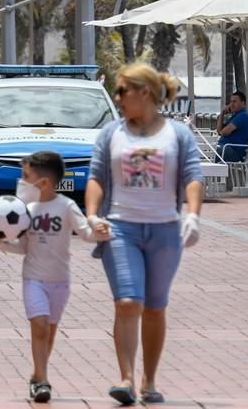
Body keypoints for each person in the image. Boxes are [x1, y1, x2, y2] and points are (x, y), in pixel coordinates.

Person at [85, 62, 203, 405]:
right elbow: (96, 177)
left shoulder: (177, 134)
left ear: (145, 93)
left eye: (124, 91)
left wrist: (192, 216)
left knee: (154, 306)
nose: (118, 97)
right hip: (120, 227)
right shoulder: (111, 133)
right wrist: (92, 215)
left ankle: (150, 380)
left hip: (165, 230)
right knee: (127, 302)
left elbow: (192, 176)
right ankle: (126, 379)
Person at [0, 151, 109, 403]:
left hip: (60, 281)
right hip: (33, 279)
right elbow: (23, 247)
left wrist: (101, 230)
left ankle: (36, 373)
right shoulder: (25, 211)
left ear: (44, 182)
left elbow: (84, 232)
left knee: (49, 332)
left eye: (26, 176)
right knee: (39, 326)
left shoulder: (65, 206)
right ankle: (42, 381)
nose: (21, 181)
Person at [216, 90, 248, 162]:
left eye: (234, 102)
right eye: (231, 102)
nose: (231, 104)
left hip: (234, 152)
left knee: (209, 151)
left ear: (243, 103)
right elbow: (219, 131)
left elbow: (224, 132)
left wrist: (222, 131)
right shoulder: (235, 115)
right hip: (225, 148)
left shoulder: (243, 116)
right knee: (206, 150)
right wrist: (222, 114)